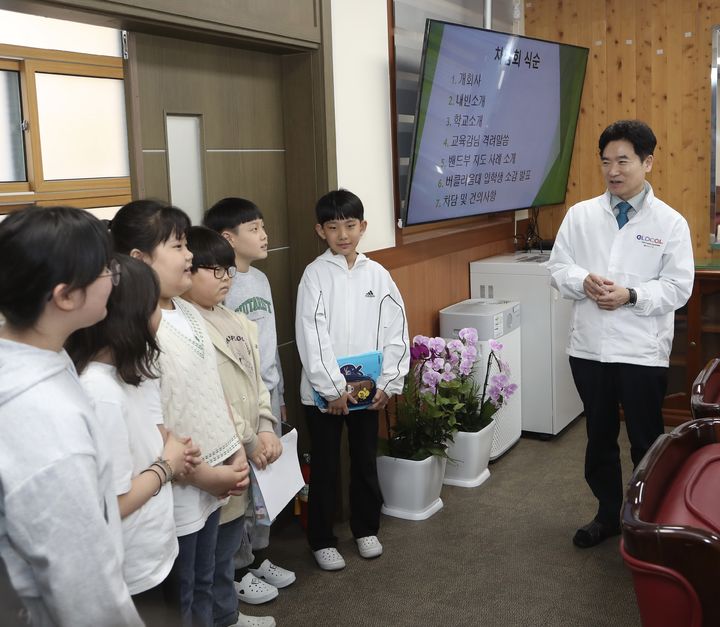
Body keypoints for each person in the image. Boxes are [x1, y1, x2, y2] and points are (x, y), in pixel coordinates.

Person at [547, 120, 695, 548]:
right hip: (590, 348)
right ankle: (608, 513)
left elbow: (678, 287)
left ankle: (648, 518)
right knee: (598, 436)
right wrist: (582, 282)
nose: (613, 170)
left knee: (646, 439)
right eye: (606, 162)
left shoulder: (670, 223)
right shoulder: (581, 215)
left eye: (623, 161)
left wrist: (631, 295)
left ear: (647, 162)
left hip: (641, 350)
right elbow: (558, 269)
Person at [0, 206, 143, 626]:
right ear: (65, 296)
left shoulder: (31, 350)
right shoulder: (46, 420)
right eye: (106, 270)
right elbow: (80, 581)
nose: (114, 280)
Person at [111, 200, 250, 627]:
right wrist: (205, 474)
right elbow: (161, 422)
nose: (189, 255)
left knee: (206, 581)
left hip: (214, 474)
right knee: (184, 594)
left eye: (186, 243)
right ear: (139, 260)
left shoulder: (187, 309)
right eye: (176, 245)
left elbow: (211, 389)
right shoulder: (141, 328)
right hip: (184, 482)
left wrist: (234, 451)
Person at [66, 255, 200, 625]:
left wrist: (174, 448)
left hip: (156, 546)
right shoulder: (100, 391)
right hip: (133, 565)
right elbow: (113, 502)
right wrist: (167, 465)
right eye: (154, 305)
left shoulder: (131, 373)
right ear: (131, 317)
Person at [295, 189, 410, 570]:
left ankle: (365, 529)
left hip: (367, 392)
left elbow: (396, 330)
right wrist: (331, 389)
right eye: (333, 227)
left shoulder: (378, 274)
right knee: (326, 466)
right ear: (320, 231)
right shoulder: (314, 275)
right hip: (325, 397)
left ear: (362, 227)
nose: (342, 234)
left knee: (364, 460)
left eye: (349, 225)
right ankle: (322, 539)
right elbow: (312, 334)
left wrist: (389, 383)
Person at [185, 226, 291, 627]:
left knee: (229, 541)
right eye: (215, 271)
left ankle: (228, 614)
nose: (226, 279)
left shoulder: (235, 319)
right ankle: (221, 617)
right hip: (218, 454)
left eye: (228, 271)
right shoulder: (185, 325)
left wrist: (266, 428)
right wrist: (248, 440)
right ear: (188, 273)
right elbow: (212, 400)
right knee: (208, 558)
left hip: (245, 450)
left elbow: (256, 382)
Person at [203, 198, 286, 435]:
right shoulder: (220, 285)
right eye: (254, 229)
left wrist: (280, 396)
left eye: (263, 227)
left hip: (269, 391)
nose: (264, 235)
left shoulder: (261, 279)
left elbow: (270, 340)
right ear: (229, 238)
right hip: (240, 399)